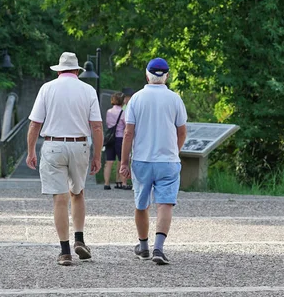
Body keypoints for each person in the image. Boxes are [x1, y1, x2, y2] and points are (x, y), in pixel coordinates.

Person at [26, 52, 103, 266]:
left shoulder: (47, 89)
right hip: (79, 145)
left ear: (58, 70)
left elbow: (34, 124)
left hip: (53, 145)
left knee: (60, 199)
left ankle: (65, 251)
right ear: (77, 71)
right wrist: (97, 155)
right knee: (77, 193)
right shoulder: (88, 90)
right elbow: (96, 126)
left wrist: (31, 151)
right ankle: (80, 239)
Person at [119, 57, 187, 265]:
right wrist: (173, 152)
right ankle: (159, 247)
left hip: (142, 160)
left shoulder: (136, 99)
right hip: (168, 161)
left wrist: (123, 162)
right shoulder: (175, 99)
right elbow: (182, 132)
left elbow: (128, 133)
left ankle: (143, 246)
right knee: (165, 203)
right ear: (167, 76)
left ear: (146, 75)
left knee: (141, 204)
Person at [103, 92, 129, 190]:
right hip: (120, 137)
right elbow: (126, 124)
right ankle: (123, 182)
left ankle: (106, 183)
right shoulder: (123, 112)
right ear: (122, 101)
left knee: (109, 161)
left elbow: (108, 123)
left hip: (110, 138)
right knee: (122, 160)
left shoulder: (109, 111)